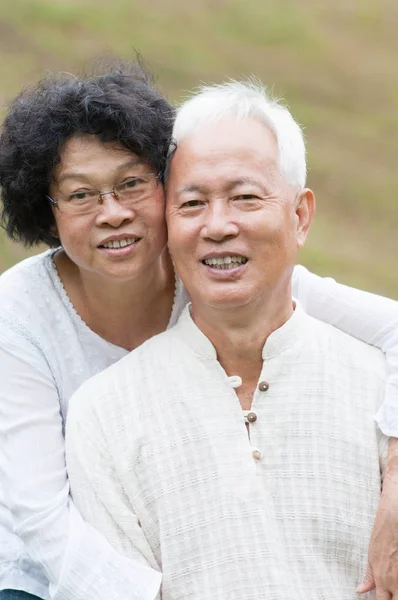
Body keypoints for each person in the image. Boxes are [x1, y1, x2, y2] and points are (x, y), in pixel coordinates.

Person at [0, 63, 397, 600]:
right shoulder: (18, 315)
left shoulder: (217, 266)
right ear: (46, 213)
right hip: (47, 569)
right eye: (80, 195)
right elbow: (42, 516)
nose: (112, 213)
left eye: (132, 184)